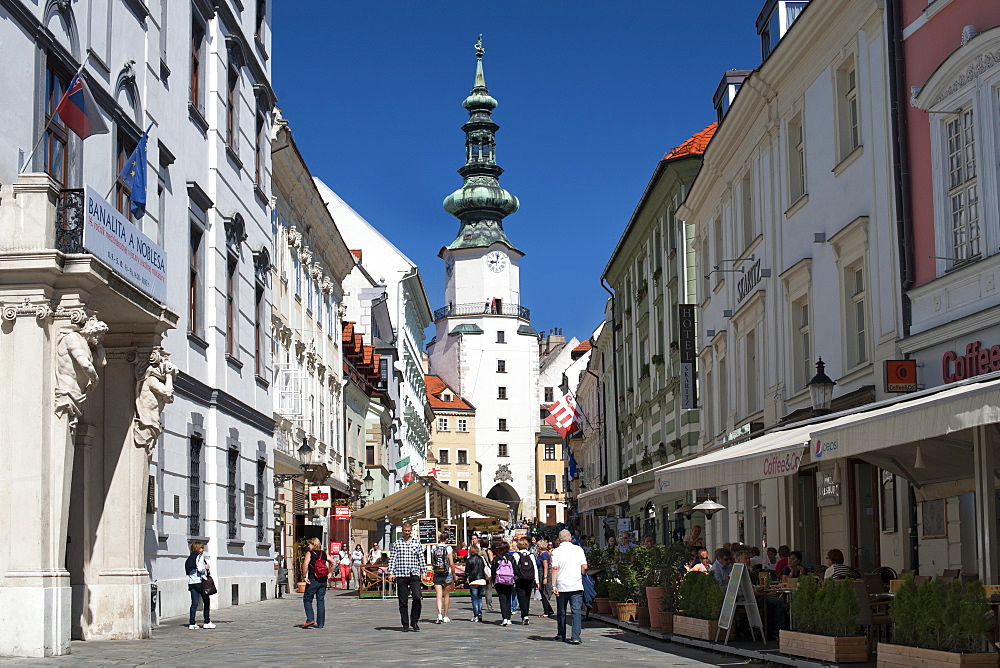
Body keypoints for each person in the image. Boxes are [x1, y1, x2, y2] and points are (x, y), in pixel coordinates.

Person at [551, 529, 588, 645]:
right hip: (576, 585)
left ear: (559, 540)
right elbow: (585, 566)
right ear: (570, 538)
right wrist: (581, 573)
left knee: (561, 611)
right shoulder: (578, 549)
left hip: (561, 585)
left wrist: (553, 585)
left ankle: (561, 634)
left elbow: (555, 568)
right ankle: (576, 636)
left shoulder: (556, 552)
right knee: (576, 611)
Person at [388, 522, 425, 632]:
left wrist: (424, 572)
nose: (407, 533)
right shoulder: (396, 544)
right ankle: (405, 623)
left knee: (417, 598)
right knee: (403, 601)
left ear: (411, 531)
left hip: (414, 574)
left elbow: (421, 558)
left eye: (409, 531)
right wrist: (391, 572)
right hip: (401, 574)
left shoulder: (417, 543)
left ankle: (415, 621)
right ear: (402, 531)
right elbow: (392, 559)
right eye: (405, 531)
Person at [185, 541, 214, 630]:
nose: (203, 549)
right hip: (200, 582)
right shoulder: (199, 556)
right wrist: (206, 568)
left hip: (192, 582)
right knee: (206, 601)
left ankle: (192, 623)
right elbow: (200, 569)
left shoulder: (190, 558)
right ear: (197, 548)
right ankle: (207, 621)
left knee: (194, 603)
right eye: (201, 548)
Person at [301, 537, 328, 629]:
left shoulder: (310, 553)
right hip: (323, 580)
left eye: (309, 544)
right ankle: (320, 623)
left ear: (314, 544)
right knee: (320, 600)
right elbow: (333, 562)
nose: (308, 546)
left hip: (313, 579)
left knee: (307, 599)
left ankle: (310, 619)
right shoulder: (324, 553)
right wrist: (331, 572)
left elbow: (305, 564)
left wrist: (304, 576)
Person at [512, 538, 539, 624]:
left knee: (521, 597)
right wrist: (537, 581)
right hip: (530, 579)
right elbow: (535, 568)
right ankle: (526, 613)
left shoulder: (516, 555)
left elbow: (514, 568)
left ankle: (524, 615)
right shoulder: (531, 555)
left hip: (520, 579)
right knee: (527, 597)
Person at [431, 531, 456, 623]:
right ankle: (445, 616)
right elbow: (451, 563)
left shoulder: (434, 547)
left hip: (437, 572)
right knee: (446, 595)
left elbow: (433, 560)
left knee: (438, 595)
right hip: (446, 572)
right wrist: (454, 574)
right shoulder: (448, 548)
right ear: (447, 539)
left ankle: (439, 614)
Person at [491, 541, 518, 626]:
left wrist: (493, 581)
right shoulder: (511, 558)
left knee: (502, 599)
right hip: (509, 581)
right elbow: (516, 570)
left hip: (499, 581)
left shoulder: (496, 559)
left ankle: (505, 618)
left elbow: (493, 571)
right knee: (508, 599)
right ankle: (509, 618)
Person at [466, 544, 489, 622]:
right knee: (479, 598)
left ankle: (476, 615)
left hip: (473, 581)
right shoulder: (481, 559)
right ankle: (479, 614)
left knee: (474, 599)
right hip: (482, 580)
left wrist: (463, 580)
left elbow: (467, 572)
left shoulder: (469, 560)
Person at [536, 539, 555, 617]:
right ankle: (549, 610)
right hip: (540, 573)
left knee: (544, 592)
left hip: (543, 573)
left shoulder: (544, 555)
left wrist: (545, 577)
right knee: (542, 591)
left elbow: (546, 566)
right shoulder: (541, 554)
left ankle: (547, 611)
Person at [480, 538, 495, 612]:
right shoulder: (489, 551)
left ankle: (478, 605)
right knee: (488, 589)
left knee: (479, 589)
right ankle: (489, 605)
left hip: (479, 572)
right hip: (487, 572)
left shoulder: (478, 552)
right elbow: (492, 561)